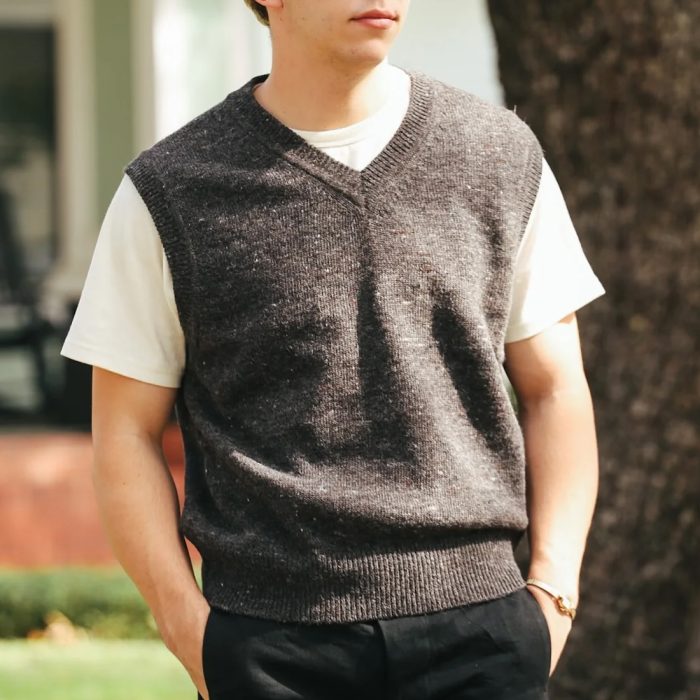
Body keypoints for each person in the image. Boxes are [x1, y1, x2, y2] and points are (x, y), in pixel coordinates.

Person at [61, 1, 605, 698]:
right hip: (269, 646)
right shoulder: (170, 189)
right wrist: (189, 630)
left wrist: (553, 596)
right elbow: (124, 434)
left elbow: (555, 389)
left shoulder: (500, 156)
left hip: (482, 637)